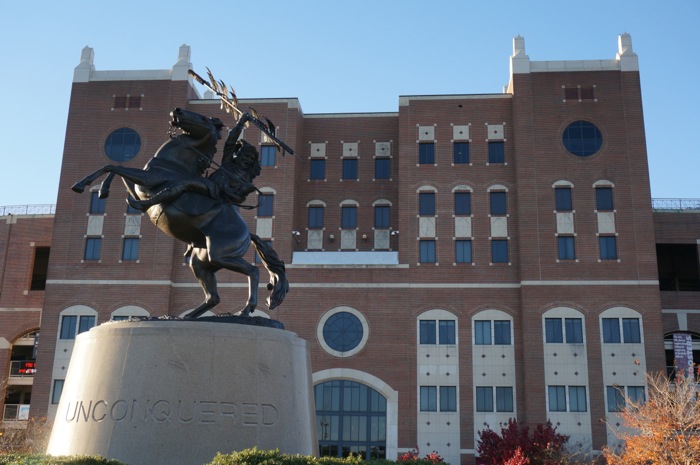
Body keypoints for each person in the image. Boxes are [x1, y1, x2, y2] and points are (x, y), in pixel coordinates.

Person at [128, 114, 262, 211]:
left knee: (184, 183)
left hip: (214, 192)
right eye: (246, 156)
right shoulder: (228, 163)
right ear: (238, 155)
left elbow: (239, 199)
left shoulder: (246, 178)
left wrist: (244, 190)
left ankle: (148, 203)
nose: (248, 160)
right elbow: (231, 141)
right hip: (208, 185)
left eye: (251, 159)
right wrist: (241, 122)